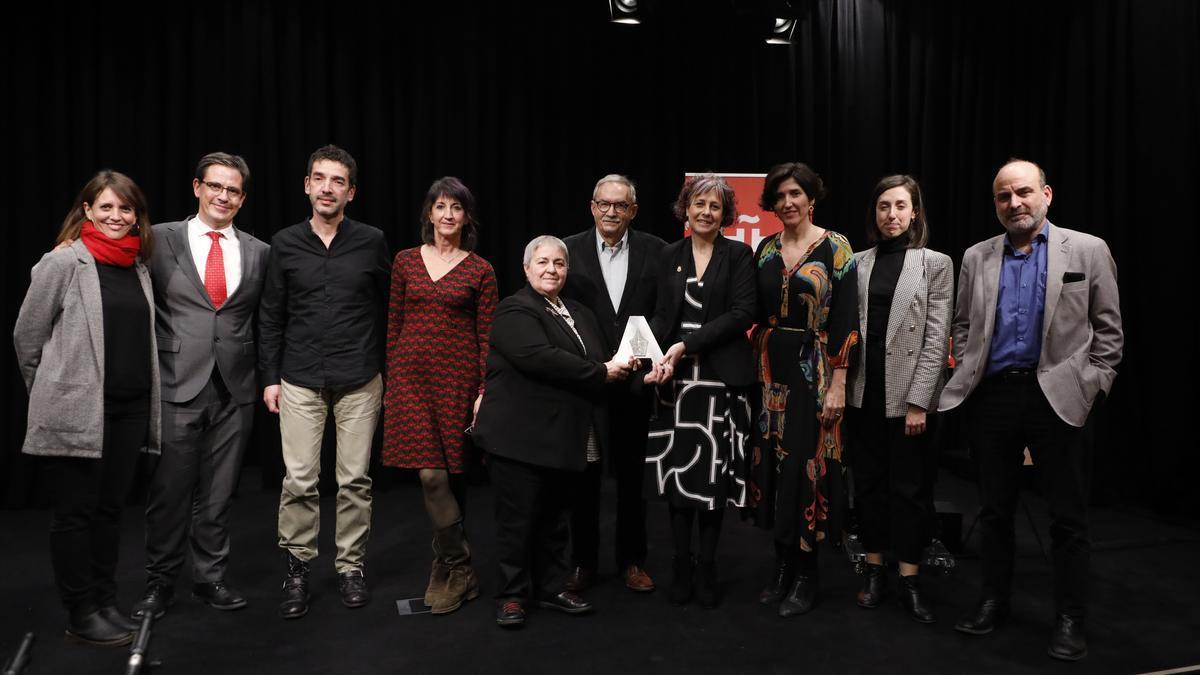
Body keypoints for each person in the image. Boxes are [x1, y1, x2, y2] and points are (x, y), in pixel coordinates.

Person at [939, 159, 1123, 661]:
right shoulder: (976, 256)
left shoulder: (1087, 249)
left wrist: (1092, 387)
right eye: (1003, 196)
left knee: (1067, 517)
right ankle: (994, 601)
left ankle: (1069, 619)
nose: (1014, 203)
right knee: (995, 511)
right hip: (994, 397)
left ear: (1047, 194)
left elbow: (1108, 332)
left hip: (1059, 396)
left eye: (1023, 192)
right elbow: (961, 325)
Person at [14, 171, 161, 646]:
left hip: (129, 408)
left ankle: (105, 599)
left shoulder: (137, 266)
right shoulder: (63, 262)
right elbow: (27, 338)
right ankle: (81, 612)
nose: (117, 217)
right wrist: (55, 393)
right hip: (79, 413)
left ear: (136, 215)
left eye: (126, 209)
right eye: (107, 208)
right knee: (76, 515)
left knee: (110, 512)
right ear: (87, 211)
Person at [132, 152, 270, 621]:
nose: (223, 196)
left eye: (233, 190)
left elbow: (262, 320)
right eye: (215, 186)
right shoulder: (159, 239)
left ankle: (210, 578)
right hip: (175, 382)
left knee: (218, 493)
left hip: (235, 388)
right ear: (197, 187)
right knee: (170, 492)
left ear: (242, 198)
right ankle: (160, 582)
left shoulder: (258, 251)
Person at [472, 235, 635, 628]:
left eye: (559, 264)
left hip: (563, 438)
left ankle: (551, 586)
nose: (552, 270)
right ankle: (512, 596)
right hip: (518, 439)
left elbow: (598, 355)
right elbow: (540, 358)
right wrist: (601, 372)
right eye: (542, 262)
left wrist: (626, 362)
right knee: (518, 522)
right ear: (526, 269)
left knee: (555, 519)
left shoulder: (578, 311)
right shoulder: (514, 309)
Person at [259, 145, 391, 619]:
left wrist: (388, 373)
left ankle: (350, 567)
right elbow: (271, 314)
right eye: (320, 178)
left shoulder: (372, 241)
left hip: (359, 376)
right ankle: (296, 568)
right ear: (307, 186)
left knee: (354, 479)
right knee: (299, 479)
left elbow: (388, 310)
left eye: (338, 181)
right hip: (299, 377)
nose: (328, 188)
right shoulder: (285, 242)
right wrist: (270, 378)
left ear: (350, 192)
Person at [746, 162, 859, 617]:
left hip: (816, 372)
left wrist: (838, 384)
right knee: (775, 465)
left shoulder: (837, 248)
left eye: (795, 194)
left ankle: (807, 575)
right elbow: (749, 309)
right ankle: (780, 567)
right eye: (779, 196)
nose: (788, 202)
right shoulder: (766, 250)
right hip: (771, 370)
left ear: (811, 198)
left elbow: (848, 321)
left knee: (807, 470)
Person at [382, 176, 498, 615]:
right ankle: (459, 564)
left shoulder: (479, 269)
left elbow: (487, 336)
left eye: (456, 208)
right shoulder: (406, 261)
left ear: (466, 217)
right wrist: (392, 382)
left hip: (457, 382)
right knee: (430, 475)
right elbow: (393, 325)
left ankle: (445, 566)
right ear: (428, 213)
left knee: (451, 475)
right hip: (411, 380)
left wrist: (485, 389)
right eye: (440, 206)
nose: (448, 215)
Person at [845, 175, 952, 623]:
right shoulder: (856, 261)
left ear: (915, 213)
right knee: (867, 485)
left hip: (908, 398)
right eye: (884, 206)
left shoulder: (934, 263)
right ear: (875, 213)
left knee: (909, 491)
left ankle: (909, 577)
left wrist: (918, 401)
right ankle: (873, 569)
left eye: (900, 206)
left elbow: (936, 336)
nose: (891, 214)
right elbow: (846, 331)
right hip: (862, 394)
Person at [645, 173, 756, 608]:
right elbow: (659, 316)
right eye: (698, 204)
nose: (706, 212)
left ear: (726, 213)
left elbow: (743, 313)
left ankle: (707, 565)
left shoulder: (740, 255)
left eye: (714, 206)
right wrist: (647, 355)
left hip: (719, 379)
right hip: (675, 383)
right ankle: (680, 563)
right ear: (685, 208)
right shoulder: (668, 254)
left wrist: (684, 345)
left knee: (713, 480)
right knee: (679, 477)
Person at [561, 174, 666, 594]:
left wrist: (635, 357)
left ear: (633, 211)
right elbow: (556, 308)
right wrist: (596, 364)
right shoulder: (566, 250)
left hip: (635, 382)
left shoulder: (658, 251)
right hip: (587, 382)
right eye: (604, 204)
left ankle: (632, 561)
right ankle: (582, 563)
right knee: (583, 479)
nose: (611, 212)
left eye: (620, 206)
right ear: (592, 207)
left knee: (631, 481)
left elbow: (664, 310)